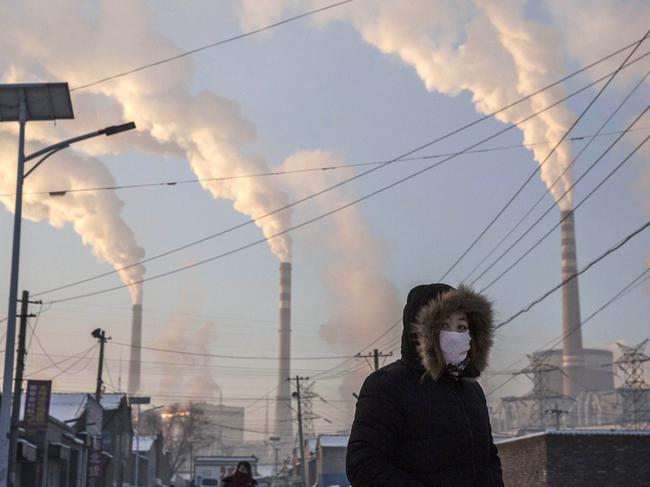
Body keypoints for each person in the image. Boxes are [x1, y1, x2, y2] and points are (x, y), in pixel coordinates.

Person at [346, 283, 504, 486]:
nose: (455, 335)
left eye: (462, 327)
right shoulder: (388, 385)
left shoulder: (471, 389)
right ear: (422, 332)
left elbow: (488, 457)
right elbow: (363, 465)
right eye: (444, 326)